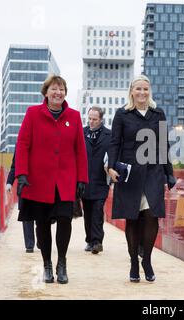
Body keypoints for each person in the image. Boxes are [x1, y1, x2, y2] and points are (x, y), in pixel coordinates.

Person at [15, 75, 88, 284]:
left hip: (65, 180)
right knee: (43, 223)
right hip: (39, 180)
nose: (58, 93)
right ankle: (47, 264)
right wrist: (22, 174)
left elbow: (80, 151)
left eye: (62, 89)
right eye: (54, 89)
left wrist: (82, 178)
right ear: (46, 92)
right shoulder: (33, 113)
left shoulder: (73, 116)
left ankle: (62, 263)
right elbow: (23, 144)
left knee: (65, 220)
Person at [108, 75, 176, 283]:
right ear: (131, 91)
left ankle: (146, 259)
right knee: (133, 218)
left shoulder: (158, 114)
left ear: (149, 91)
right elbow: (114, 143)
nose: (142, 93)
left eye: (145, 89)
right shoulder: (122, 114)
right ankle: (133, 263)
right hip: (130, 173)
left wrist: (169, 173)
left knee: (151, 216)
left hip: (153, 172)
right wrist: (111, 167)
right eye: (138, 89)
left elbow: (164, 145)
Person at [82, 106, 111, 254]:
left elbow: (113, 155)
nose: (91, 122)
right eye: (90, 119)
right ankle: (89, 240)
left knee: (97, 211)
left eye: (95, 119)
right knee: (87, 211)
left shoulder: (109, 135)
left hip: (101, 181)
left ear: (101, 119)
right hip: (85, 181)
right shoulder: (82, 133)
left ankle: (97, 241)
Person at [6, 150, 36, 253]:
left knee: (41, 215)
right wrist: (9, 182)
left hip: (40, 185)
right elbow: (14, 166)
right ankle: (29, 245)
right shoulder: (20, 145)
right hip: (24, 187)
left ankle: (41, 239)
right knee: (27, 217)